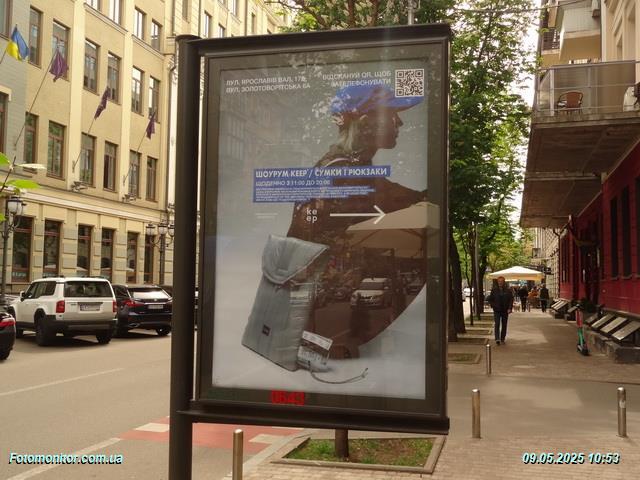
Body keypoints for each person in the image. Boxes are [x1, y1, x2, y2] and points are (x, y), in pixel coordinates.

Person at [286, 84, 426, 358]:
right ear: (364, 122)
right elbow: (305, 259)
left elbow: (393, 193)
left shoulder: (351, 168)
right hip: (321, 323)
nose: (399, 122)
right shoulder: (343, 172)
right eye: (392, 114)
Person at [487, 276, 514, 345]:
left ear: (504, 282)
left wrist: (510, 308)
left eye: (501, 281)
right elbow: (490, 299)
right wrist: (493, 306)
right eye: (499, 281)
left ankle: (502, 338)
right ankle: (497, 338)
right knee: (497, 324)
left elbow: (511, 300)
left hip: (505, 310)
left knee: (504, 325)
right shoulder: (494, 290)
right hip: (497, 310)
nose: (500, 283)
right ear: (497, 282)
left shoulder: (508, 290)